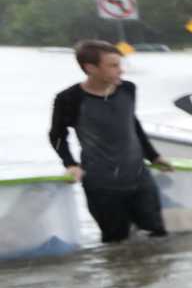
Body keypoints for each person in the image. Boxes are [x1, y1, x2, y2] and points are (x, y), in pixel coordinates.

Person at [49, 40, 173, 243]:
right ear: (90, 68)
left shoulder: (128, 89)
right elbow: (57, 136)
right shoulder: (69, 99)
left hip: (139, 177)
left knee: (157, 235)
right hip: (101, 184)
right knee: (116, 243)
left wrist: (154, 156)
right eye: (113, 66)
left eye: (120, 65)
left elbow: (133, 124)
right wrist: (70, 164)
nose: (121, 71)